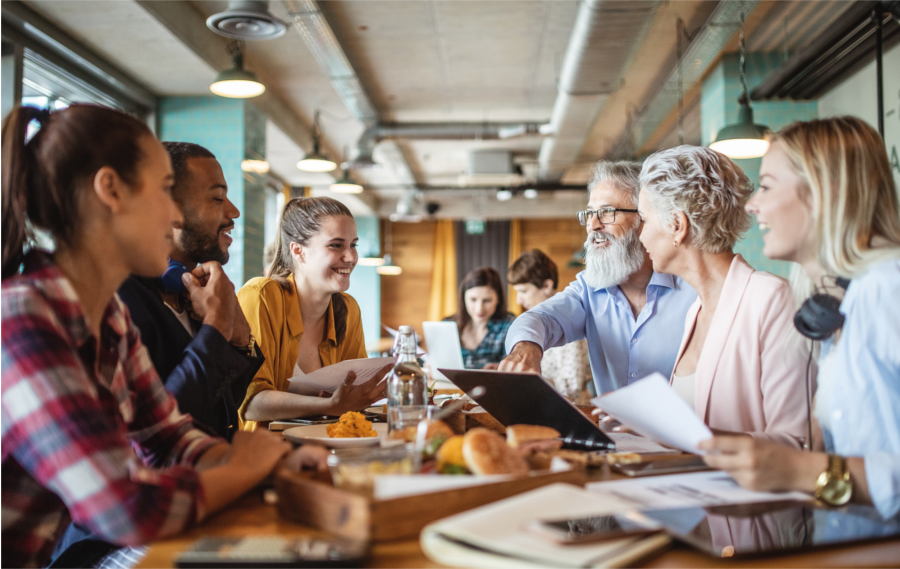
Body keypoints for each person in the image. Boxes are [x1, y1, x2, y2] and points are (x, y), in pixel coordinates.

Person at [0, 105, 326, 569]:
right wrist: (243, 467)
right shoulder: (23, 320)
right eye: (163, 191)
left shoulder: (108, 315)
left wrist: (266, 463)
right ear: (111, 190)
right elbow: (126, 509)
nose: (175, 216)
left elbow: (168, 435)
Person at [49, 142, 265, 566]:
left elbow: (206, 416)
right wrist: (216, 330)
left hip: (188, 502)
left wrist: (237, 339)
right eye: (217, 198)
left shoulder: (190, 291)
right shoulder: (114, 301)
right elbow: (153, 447)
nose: (233, 212)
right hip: (107, 540)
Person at [700, 116, 900, 518]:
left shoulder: (886, 288)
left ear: (824, 193)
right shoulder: (834, 302)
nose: (752, 204)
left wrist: (799, 471)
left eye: (767, 185)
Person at [637, 145, 811, 446]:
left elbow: (797, 442)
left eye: (644, 220)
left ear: (677, 225)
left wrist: (689, 435)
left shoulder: (772, 299)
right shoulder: (695, 310)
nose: (640, 235)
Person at [499, 161, 697, 395]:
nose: (593, 225)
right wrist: (525, 347)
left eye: (607, 212)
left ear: (644, 218)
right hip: (608, 422)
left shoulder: (693, 290)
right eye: (590, 213)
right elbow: (542, 318)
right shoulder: (588, 289)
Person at [238, 197, 387, 430]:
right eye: (336, 245)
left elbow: (354, 395)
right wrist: (328, 406)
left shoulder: (348, 309)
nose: (350, 257)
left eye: (353, 245)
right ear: (298, 251)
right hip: (265, 447)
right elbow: (250, 403)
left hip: (328, 443)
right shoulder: (261, 297)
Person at [508, 249, 592, 403]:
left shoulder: (568, 323)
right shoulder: (533, 326)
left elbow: (572, 390)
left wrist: (533, 381)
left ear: (547, 286)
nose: (518, 300)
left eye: (523, 291)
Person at [444, 267, 516, 369]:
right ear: (463, 298)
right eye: (473, 300)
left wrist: (500, 368)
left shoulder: (509, 326)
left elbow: (514, 367)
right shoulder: (447, 325)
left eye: (487, 300)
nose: (480, 308)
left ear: (498, 299)